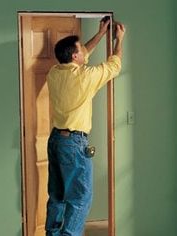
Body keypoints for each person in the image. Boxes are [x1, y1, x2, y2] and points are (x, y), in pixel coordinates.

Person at [45, 18, 125, 236]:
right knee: (80, 198)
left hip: (55, 141)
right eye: (80, 50)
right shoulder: (85, 77)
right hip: (73, 144)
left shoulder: (54, 73)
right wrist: (119, 40)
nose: (83, 53)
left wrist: (100, 34)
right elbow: (114, 65)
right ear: (74, 56)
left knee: (58, 196)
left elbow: (83, 55)